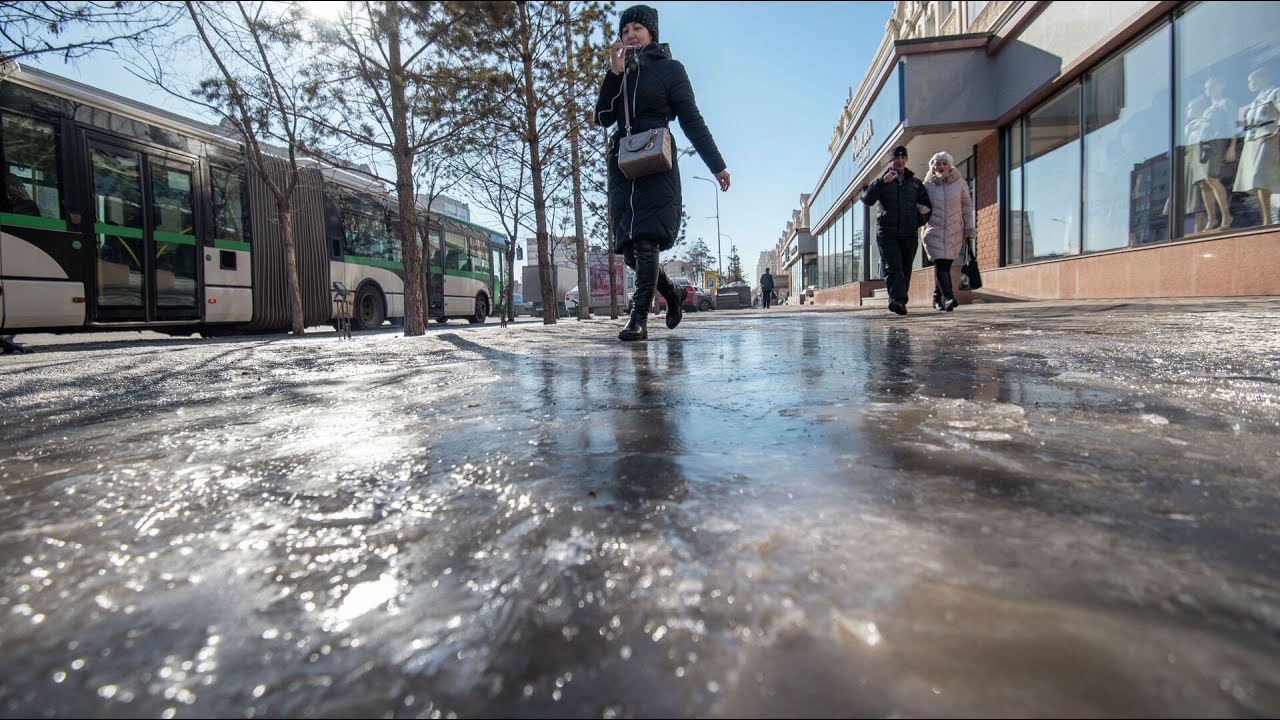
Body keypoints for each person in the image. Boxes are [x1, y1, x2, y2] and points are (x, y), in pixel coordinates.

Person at [595, 4, 729, 341]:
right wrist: (614, 73)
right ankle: (671, 294)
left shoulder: (671, 70)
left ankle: (638, 318)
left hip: (657, 162)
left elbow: (692, 120)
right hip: (624, 167)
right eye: (625, 32)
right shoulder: (620, 74)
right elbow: (602, 118)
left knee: (646, 238)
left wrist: (717, 165)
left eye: (637, 29)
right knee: (630, 251)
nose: (630, 35)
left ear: (651, 32)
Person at [861, 145, 931, 315]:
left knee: (905, 267)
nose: (899, 161)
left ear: (906, 159)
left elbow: (928, 208)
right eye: (896, 158)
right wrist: (881, 182)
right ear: (890, 161)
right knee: (893, 266)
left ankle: (899, 300)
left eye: (903, 157)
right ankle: (897, 300)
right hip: (887, 232)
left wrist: (917, 221)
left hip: (908, 232)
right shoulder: (882, 181)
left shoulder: (915, 183)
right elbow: (867, 199)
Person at [920, 151, 974, 312]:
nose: (941, 166)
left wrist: (969, 228)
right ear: (933, 167)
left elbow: (966, 206)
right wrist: (919, 208)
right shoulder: (927, 185)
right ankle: (949, 297)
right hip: (933, 230)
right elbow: (919, 203)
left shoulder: (960, 183)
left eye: (944, 163)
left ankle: (937, 298)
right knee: (941, 264)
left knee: (944, 266)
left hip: (954, 230)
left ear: (950, 165)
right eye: (937, 164)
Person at [1232, 67, 1280, 226]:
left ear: (1264, 78)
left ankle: (1268, 221)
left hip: (1268, 137)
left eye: (1253, 80)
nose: (1250, 84)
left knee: (1261, 177)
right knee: (1255, 182)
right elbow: (1239, 126)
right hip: (1252, 141)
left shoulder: (1274, 93)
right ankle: (1266, 220)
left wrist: (1277, 133)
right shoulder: (1251, 103)